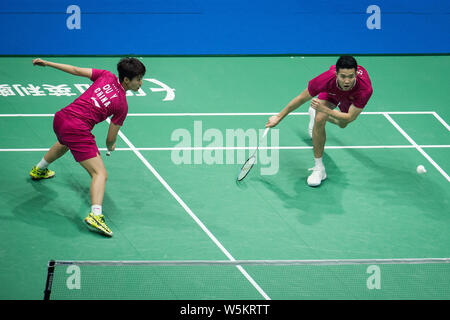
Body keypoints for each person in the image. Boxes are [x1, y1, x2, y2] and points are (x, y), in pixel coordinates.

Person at [29, 57, 146, 236]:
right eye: (138, 79)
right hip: (77, 129)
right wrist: (111, 146)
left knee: (65, 142)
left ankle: (39, 169)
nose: (141, 83)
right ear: (126, 80)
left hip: (61, 118)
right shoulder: (122, 105)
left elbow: (75, 70)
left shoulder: (106, 76)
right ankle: (96, 215)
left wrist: (49, 63)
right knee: (100, 174)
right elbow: (109, 138)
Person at [266, 56, 373, 187]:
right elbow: (301, 98)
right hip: (332, 92)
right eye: (343, 76)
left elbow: (350, 117)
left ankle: (315, 111)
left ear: (356, 74)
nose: (347, 81)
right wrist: (279, 116)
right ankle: (319, 168)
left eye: (351, 76)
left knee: (342, 124)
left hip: (351, 97)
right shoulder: (326, 79)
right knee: (320, 118)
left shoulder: (364, 89)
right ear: (336, 73)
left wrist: (324, 109)